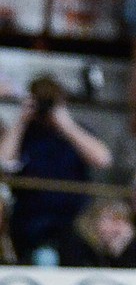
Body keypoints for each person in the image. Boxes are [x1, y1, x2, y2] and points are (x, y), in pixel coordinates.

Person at [0, 75, 112, 262]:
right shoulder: (24, 134)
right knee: (45, 257)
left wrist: (65, 125)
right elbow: (3, 162)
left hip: (76, 220)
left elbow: (103, 160)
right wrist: (21, 121)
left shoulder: (76, 132)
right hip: (32, 220)